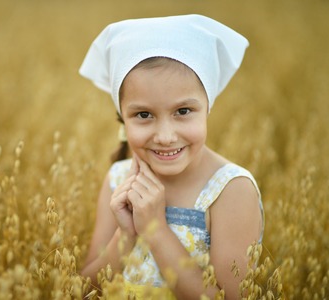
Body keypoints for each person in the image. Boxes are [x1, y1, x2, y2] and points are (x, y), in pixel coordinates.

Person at [79, 14, 264, 299]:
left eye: (183, 111)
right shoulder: (118, 179)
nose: (165, 136)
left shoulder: (230, 190)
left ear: (208, 107)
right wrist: (126, 235)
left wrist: (154, 230)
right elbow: (81, 290)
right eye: (144, 115)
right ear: (122, 119)